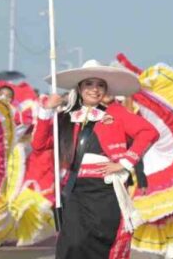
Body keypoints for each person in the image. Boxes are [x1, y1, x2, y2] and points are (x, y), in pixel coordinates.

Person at [33, 60, 159, 259]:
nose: (95, 89)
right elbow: (39, 145)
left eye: (100, 85)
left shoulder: (116, 113)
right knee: (72, 246)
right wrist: (46, 111)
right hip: (75, 192)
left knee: (103, 244)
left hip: (105, 193)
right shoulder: (66, 118)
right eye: (89, 84)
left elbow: (149, 132)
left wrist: (125, 162)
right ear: (80, 88)